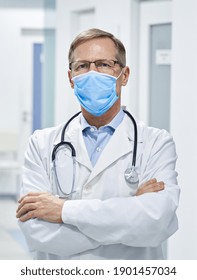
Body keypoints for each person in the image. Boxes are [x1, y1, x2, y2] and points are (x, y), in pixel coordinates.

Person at [16, 28, 180, 260]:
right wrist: (129, 211)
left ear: (124, 75)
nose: (92, 73)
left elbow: (156, 222)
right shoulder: (41, 143)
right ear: (71, 78)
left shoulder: (156, 143)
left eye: (103, 64)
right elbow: (35, 231)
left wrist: (63, 211)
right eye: (82, 66)